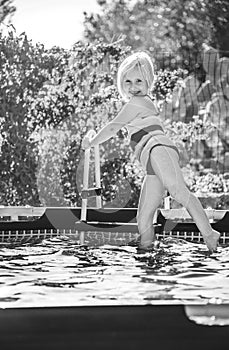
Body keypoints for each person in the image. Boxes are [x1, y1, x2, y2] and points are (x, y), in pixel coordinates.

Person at [82, 51, 220, 253]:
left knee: (178, 191)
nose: (133, 87)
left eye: (139, 81)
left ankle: (209, 233)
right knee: (144, 216)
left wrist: (91, 142)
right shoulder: (134, 104)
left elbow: (113, 127)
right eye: (128, 81)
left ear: (149, 81)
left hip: (159, 149)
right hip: (151, 161)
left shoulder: (138, 102)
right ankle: (147, 250)